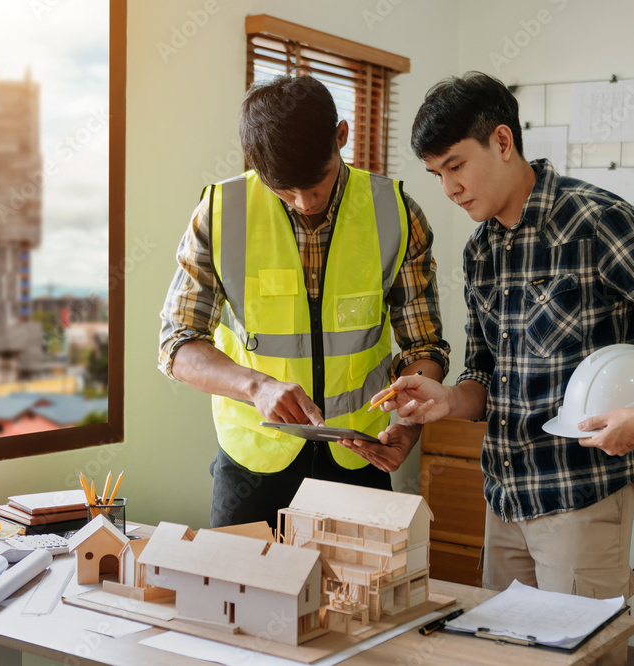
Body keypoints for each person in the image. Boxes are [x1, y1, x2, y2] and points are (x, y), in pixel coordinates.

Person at [350, 72, 634, 665]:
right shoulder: (480, 251)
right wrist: (448, 400)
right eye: (437, 174)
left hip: (580, 497)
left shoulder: (595, 221)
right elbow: (483, 374)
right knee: (504, 658)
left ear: (502, 141)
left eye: (456, 165)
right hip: (505, 499)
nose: (449, 188)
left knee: (584, 658)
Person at [159, 74, 449, 530]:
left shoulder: (396, 213)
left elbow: (425, 349)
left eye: (316, 183)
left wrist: (408, 426)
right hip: (252, 467)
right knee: (239, 598)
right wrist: (256, 388)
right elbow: (178, 345)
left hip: (361, 459)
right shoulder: (219, 214)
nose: (304, 201)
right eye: (284, 190)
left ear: (342, 137)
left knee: (365, 602)